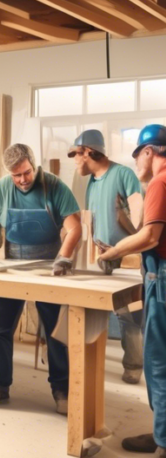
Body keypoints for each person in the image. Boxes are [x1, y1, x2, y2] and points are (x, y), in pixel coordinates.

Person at [0, 144, 81, 414]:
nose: (22, 180)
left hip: (48, 269)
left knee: (55, 334)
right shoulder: (0, 188)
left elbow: (74, 227)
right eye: (16, 176)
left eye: (25, 173)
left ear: (34, 166)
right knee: (1, 331)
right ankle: (0, 385)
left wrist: (64, 257)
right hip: (11, 268)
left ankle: (61, 390)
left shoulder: (54, 187)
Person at [99, 124, 166, 458]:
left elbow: (150, 236)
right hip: (160, 274)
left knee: (159, 365)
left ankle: (165, 452)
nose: (135, 163)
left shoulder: (159, 182)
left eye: (136, 154)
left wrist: (112, 252)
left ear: (148, 152)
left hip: (164, 280)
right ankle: (161, 436)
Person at [71, 129, 144, 384]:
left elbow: (140, 217)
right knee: (91, 310)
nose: (76, 161)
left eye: (77, 155)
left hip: (126, 258)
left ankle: (134, 366)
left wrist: (126, 248)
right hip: (99, 257)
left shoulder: (123, 174)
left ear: (88, 152)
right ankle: (89, 362)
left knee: (129, 316)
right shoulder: (91, 181)